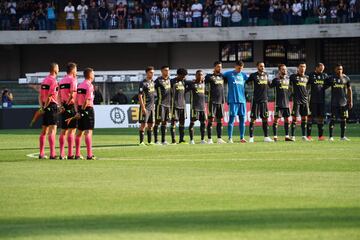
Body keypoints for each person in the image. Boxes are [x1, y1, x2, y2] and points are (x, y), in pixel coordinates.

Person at [247, 62, 273, 143]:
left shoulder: (266, 75)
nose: (262, 67)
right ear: (257, 67)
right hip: (256, 100)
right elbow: (247, 83)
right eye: (261, 66)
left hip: (264, 100)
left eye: (263, 66)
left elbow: (270, 85)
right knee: (253, 119)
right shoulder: (253, 75)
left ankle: (266, 137)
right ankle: (251, 137)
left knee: (265, 118)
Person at [223, 61, 248, 143]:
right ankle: (230, 138)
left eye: (241, 68)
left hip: (242, 101)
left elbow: (250, 81)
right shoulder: (228, 74)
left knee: (242, 119)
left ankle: (242, 137)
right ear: (235, 66)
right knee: (231, 119)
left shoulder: (244, 75)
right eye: (239, 67)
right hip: (233, 100)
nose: (240, 69)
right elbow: (220, 76)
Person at [38, 63, 59, 159]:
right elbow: (50, 96)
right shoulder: (53, 81)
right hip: (51, 106)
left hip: (44, 106)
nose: (58, 69)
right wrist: (46, 106)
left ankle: (41, 153)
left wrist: (42, 107)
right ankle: (52, 154)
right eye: (58, 68)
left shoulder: (44, 80)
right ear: (55, 69)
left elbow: (40, 96)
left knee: (44, 131)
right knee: (52, 130)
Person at [327, 64, 353, 141]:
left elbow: (349, 90)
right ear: (335, 70)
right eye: (338, 69)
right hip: (334, 102)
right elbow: (324, 85)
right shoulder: (331, 78)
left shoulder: (346, 78)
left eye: (341, 69)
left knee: (344, 119)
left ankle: (342, 137)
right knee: (333, 119)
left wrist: (350, 101)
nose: (340, 70)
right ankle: (331, 137)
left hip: (344, 102)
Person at [75, 68, 96, 160]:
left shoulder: (79, 86)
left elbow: (75, 101)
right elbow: (87, 100)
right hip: (87, 109)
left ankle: (77, 154)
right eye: (93, 73)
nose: (94, 75)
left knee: (79, 132)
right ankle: (89, 155)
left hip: (80, 108)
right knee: (88, 132)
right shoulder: (89, 86)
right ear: (90, 75)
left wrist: (78, 111)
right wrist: (83, 111)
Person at [58, 62, 78, 160]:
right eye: (76, 69)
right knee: (72, 131)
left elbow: (58, 95)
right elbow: (72, 93)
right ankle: (70, 154)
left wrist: (61, 105)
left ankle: (61, 154)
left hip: (63, 107)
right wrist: (68, 103)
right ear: (73, 70)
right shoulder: (73, 80)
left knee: (63, 131)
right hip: (70, 107)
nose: (77, 71)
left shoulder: (61, 81)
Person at [205, 61, 227, 144]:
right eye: (218, 66)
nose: (220, 68)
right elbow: (201, 83)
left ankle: (219, 138)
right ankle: (210, 139)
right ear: (214, 67)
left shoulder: (222, 76)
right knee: (211, 119)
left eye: (220, 67)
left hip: (221, 101)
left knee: (220, 120)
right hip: (212, 101)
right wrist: (206, 92)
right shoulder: (209, 76)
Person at [270, 64, 293, 141]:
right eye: (283, 69)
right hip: (278, 103)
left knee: (287, 120)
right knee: (276, 120)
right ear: (279, 70)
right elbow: (270, 86)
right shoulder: (276, 80)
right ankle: (275, 137)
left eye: (285, 69)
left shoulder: (288, 80)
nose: (285, 70)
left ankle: (287, 136)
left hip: (286, 103)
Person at [307, 63, 329, 141]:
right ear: (316, 68)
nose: (322, 70)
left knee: (321, 118)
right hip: (312, 99)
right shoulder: (311, 75)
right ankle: (308, 136)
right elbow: (307, 85)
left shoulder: (325, 76)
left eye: (323, 68)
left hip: (321, 100)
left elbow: (328, 84)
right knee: (310, 117)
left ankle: (320, 136)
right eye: (320, 68)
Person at [290, 62, 310, 141]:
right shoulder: (293, 77)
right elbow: (288, 86)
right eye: (301, 66)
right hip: (297, 100)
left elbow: (308, 87)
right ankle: (293, 136)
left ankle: (303, 136)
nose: (302, 68)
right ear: (298, 68)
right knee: (295, 118)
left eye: (304, 67)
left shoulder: (307, 77)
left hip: (305, 100)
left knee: (304, 118)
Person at [186, 70, 207, 144]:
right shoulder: (192, 84)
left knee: (203, 123)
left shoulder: (203, 84)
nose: (200, 76)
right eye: (198, 75)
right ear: (195, 75)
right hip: (194, 107)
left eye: (201, 75)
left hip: (203, 107)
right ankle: (191, 140)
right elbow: (184, 90)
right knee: (192, 123)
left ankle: (202, 139)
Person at [154, 66, 172, 145]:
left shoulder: (169, 80)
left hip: (168, 105)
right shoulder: (158, 80)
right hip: (160, 104)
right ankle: (156, 140)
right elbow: (151, 89)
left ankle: (163, 140)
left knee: (165, 122)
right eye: (165, 70)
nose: (167, 72)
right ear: (162, 71)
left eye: (168, 70)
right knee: (157, 122)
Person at [138, 66, 156, 145]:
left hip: (152, 107)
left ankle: (150, 141)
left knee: (151, 124)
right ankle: (141, 142)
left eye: (153, 73)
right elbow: (140, 96)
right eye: (150, 72)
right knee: (143, 124)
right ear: (147, 73)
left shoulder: (152, 82)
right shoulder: (143, 83)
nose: (152, 74)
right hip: (145, 107)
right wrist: (143, 108)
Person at [170, 68, 188, 144]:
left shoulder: (184, 82)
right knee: (173, 122)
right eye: (183, 76)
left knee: (182, 122)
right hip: (174, 105)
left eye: (185, 76)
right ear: (178, 75)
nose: (184, 77)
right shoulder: (172, 82)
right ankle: (173, 140)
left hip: (183, 105)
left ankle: (181, 139)